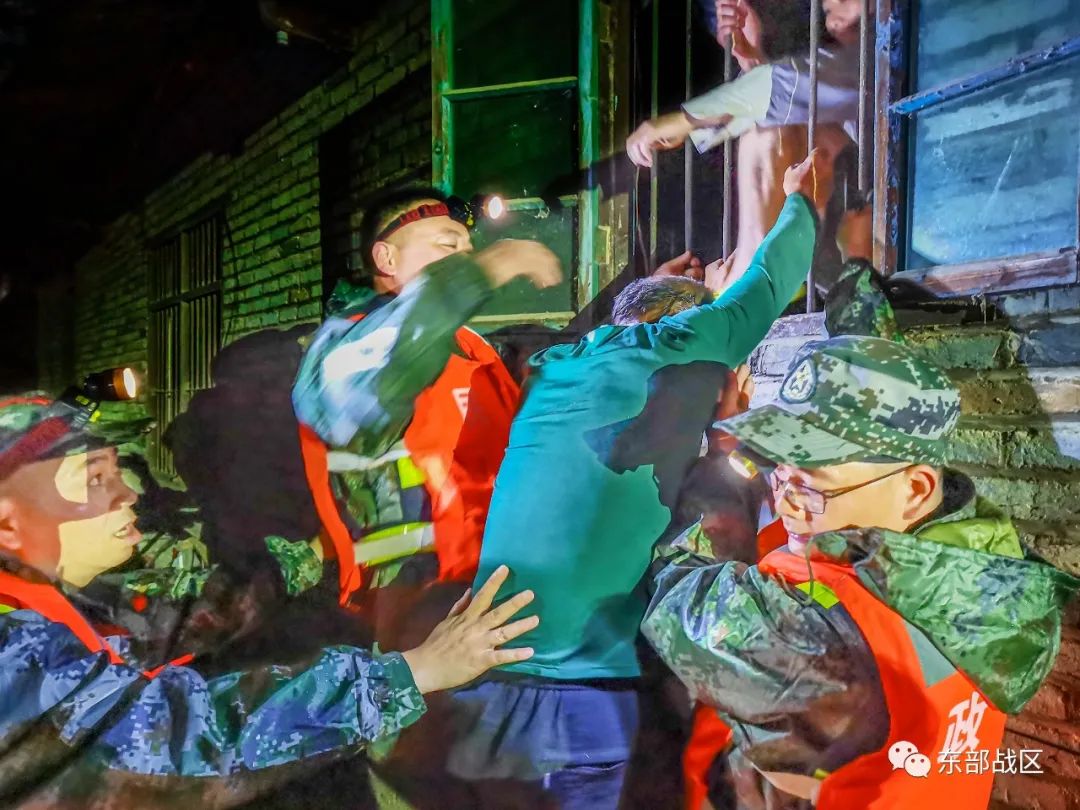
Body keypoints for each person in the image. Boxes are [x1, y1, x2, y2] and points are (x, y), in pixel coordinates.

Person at [441, 150, 830, 809]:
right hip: (580, 688)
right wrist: (801, 200)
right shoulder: (679, 344)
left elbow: (631, 337)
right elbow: (767, 284)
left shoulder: (562, 366)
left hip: (481, 669)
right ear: (679, 326)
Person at [0, 393, 539, 808]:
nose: (128, 494)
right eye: (93, 479)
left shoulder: (56, 600)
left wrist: (317, 552)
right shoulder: (12, 653)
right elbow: (179, 739)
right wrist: (412, 672)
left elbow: (181, 616)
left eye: (116, 471)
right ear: (7, 523)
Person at [642, 335, 1080, 808]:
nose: (785, 504)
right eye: (779, 472)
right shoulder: (991, 565)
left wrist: (713, 471)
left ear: (915, 488)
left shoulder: (820, 630)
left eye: (811, 489)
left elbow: (675, 593)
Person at [291, 187, 560, 638]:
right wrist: (486, 270)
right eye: (447, 245)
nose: (466, 257)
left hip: (496, 604)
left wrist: (650, 310)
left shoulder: (473, 350)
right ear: (386, 258)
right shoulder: (344, 351)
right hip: (411, 621)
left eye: (469, 249)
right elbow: (378, 374)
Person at [628, 0, 861, 284]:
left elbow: (795, 87)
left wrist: (686, 120)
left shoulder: (892, 47)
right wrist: (752, 60)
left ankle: (743, 285)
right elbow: (791, 97)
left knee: (764, 136)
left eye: (838, 3)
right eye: (827, 10)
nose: (831, 20)